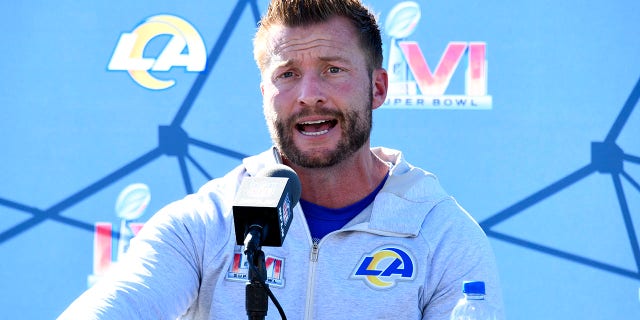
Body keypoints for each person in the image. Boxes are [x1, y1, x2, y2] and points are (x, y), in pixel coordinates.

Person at [59, 0, 504, 319]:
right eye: (287, 75)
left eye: (333, 69)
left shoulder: (441, 233)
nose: (309, 95)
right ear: (264, 96)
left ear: (378, 88)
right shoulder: (207, 221)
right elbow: (122, 301)